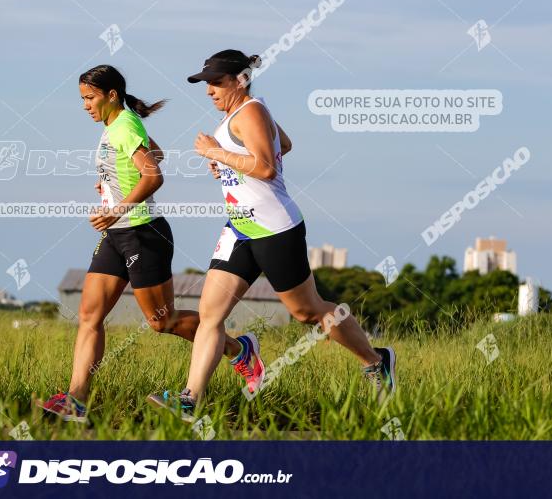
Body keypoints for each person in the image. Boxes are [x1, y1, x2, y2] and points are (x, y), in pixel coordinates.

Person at [152, 50, 396, 417]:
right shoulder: (245, 114)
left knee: (308, 312)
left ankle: (377, 361)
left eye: (216, 83)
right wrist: (230, 165)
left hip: (274, 229)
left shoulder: (250, 111)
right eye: (206, 84)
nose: (209, 91)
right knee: (210, 314)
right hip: (240, 229)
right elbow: (284, 145)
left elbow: (266, 168)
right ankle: (190, 399)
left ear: (241, 80)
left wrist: (218, 154)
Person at [39, 65, 262, 423]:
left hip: (144, 233)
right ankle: (76, 400)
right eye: (82, 99)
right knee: (89, 315)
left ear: (112, 95)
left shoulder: (124, 126)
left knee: (163, 321)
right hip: (117, 235)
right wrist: (114, 187)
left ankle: (240, 350)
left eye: (90, 98)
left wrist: (119, 207)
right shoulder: (119, 125)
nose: (85, 106)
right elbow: (155, 154)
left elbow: (154, 175)